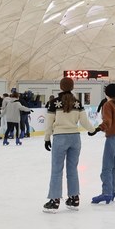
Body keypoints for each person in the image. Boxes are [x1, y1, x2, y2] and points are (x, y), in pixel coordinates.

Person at [42, 77, 96, 213]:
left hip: (60, 138)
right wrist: (92, 130)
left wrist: (47, 138)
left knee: (57, 169)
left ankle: (54, 201)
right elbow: (84, 121)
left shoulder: (53, 103)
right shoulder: (77, 103)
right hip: (75, 138)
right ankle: (74, 198)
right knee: (72, 169)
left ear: (61, 87)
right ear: (72, 87)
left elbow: (49, 123)